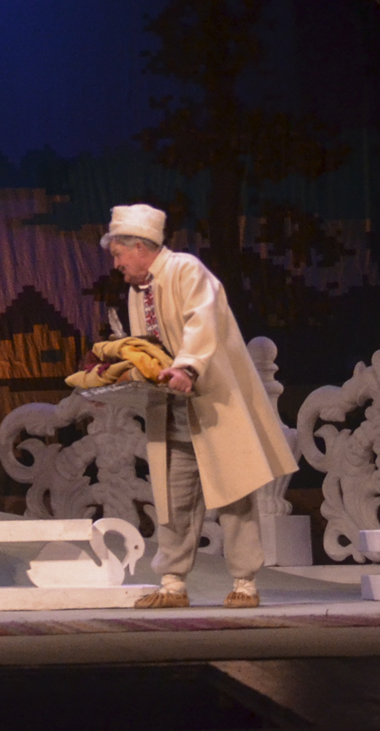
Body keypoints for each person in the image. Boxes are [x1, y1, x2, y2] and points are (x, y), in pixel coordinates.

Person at [102, 203, 296, 609]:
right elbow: (149, 347)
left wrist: (187, 367)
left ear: (140, 247)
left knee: (233, 493)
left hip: (212, 402)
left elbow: (201, 321)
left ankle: (245, 582)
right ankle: (173, 583)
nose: (116, 264)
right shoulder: (138, 291)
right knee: (173, 498)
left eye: (119, 254)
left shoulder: (186, 270)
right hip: (171, 407)